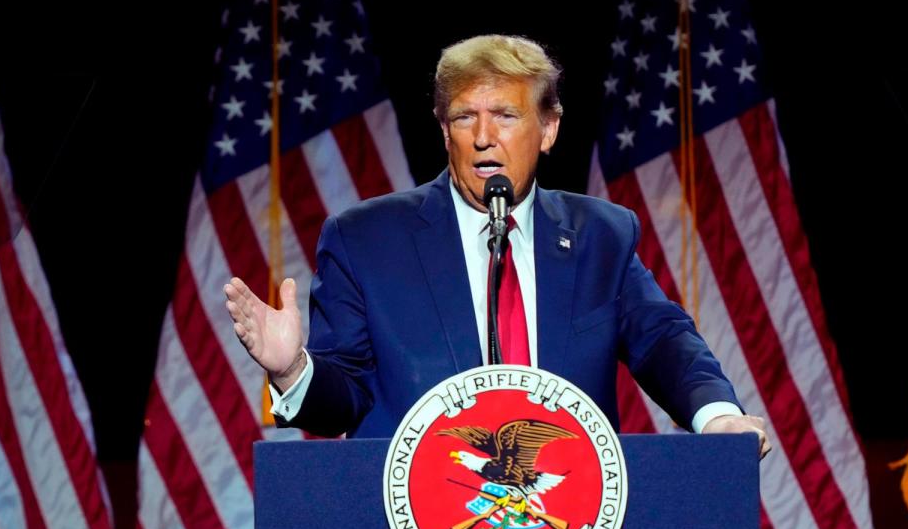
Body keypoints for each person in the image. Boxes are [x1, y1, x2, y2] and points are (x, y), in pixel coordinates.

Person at [224, 35, 771, 457]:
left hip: (570, 510)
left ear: (549, 128)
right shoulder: (366, 239)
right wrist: (293, 370)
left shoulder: (600, 235)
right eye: (465, 117)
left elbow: (663, 341)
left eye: (506, 115)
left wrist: (716, 414)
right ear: (445, 131)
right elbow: (344, 394)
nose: (483, 136)